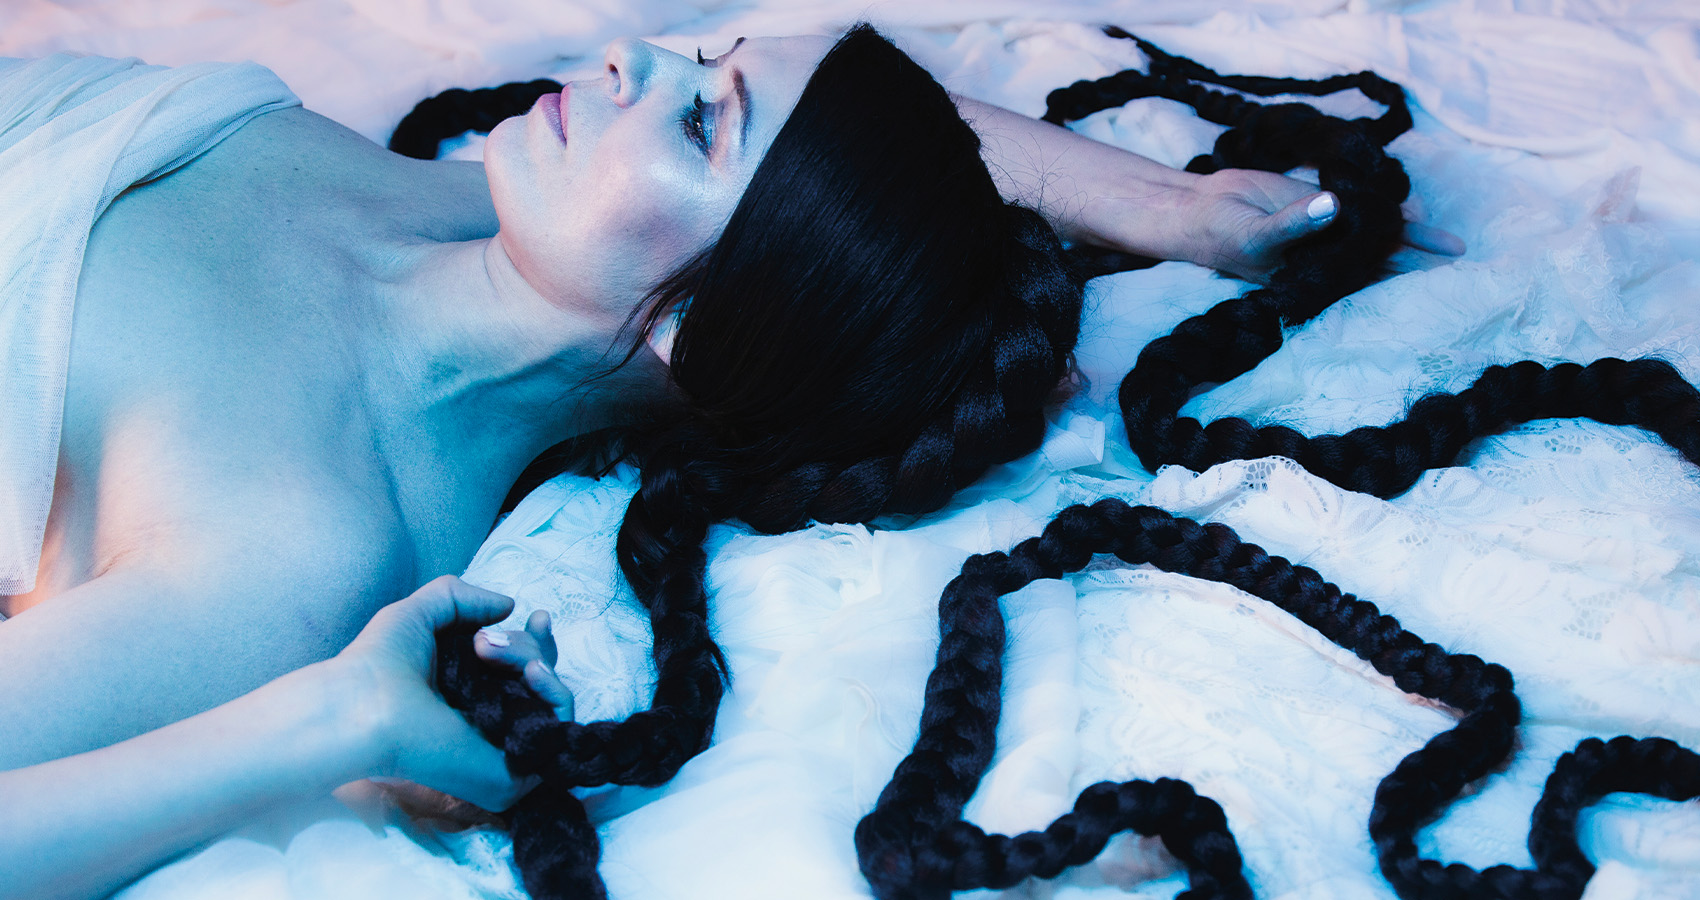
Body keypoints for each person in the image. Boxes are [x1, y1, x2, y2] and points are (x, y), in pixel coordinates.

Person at [0, 25, 1456, 900]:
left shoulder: (293, 535)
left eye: (697, 113)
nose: (630, 58)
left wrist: (330, 725)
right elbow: (840, 127)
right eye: (702, 65)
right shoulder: (467, 207)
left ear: (691, 330)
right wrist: (1164, 207)